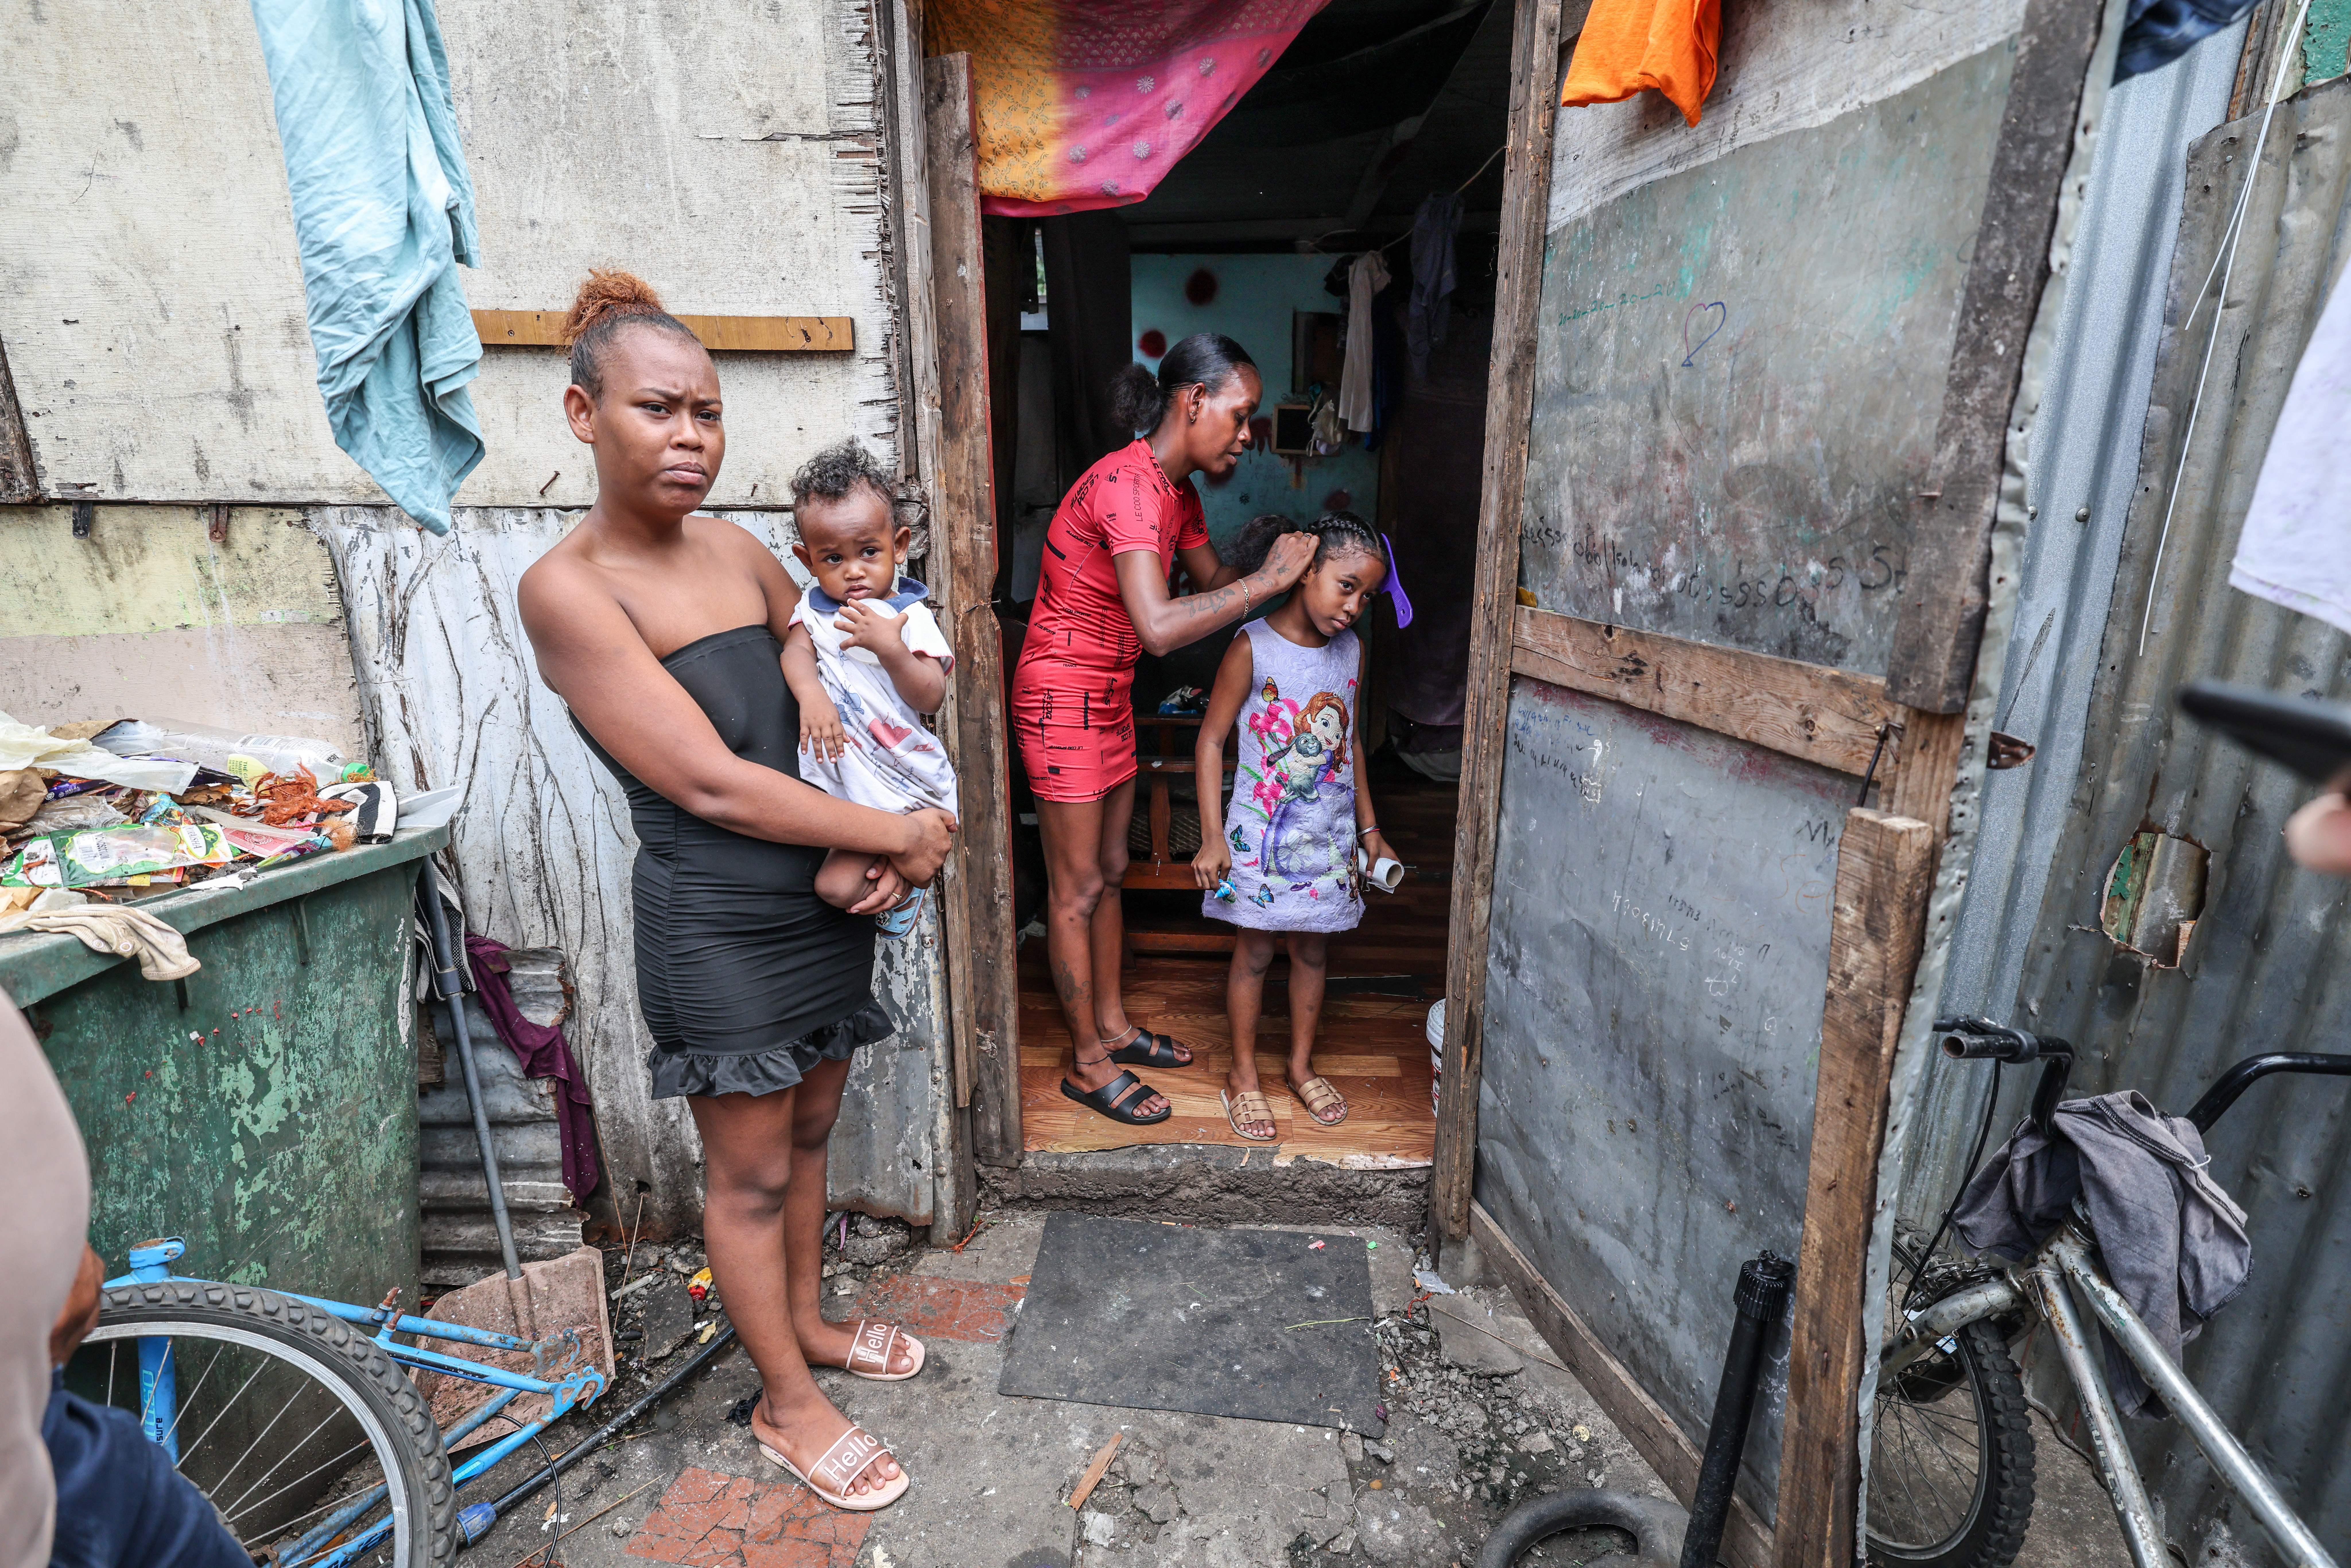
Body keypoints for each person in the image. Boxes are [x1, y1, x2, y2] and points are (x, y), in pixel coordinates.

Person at [517, 269, 953, 1511]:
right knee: (749, 1178)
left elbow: (812, 647)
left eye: (706, 412)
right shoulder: (567, 587)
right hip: (718, 923)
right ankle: (785, 1400)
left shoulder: (740, 550)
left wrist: (872, 819)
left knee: (812, 1135)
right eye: (659, 409)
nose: (691, 437)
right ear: (581, 414)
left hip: (823, 899)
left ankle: (804, 1325)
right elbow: (709, 783)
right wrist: (897, 832)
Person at [1009, 333, 1318, 1127]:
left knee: (1111, 869)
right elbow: (1157, 625)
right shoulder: (1128, 488)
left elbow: (1217, 587)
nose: (1247, 436)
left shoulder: (1176, 493)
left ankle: (1111, 1026)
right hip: (1063, 693)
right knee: (1075, 891)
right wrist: (1266, 582)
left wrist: (1295, 579)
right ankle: (1085, 1064)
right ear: (1194, 402)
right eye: (1241, 416)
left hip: (1106, 693)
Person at [1190, 514, 1400, 1140]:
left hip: (1328, 838)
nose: (1355, 606)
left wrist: (1369, 832)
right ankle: (1243, 1075)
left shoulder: (1352, 651)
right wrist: (1211, 835)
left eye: (1366, 595)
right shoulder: (1251, 646)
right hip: (1257, 839)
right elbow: (1210, 742)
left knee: (1313, 948)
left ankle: (1300, 1064)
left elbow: (1353, 745)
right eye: (1345, 586)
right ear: (1305, 572)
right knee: (1254, 951)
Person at [779, 439, 957, 937]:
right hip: (847, 778)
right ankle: (900, 860)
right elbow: (795, 653)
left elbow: (930, 696)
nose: (854, 571)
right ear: (807, 559)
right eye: (833, 558)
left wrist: (891, 649)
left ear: (899, 546)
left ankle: (911, 865)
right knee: (834, 887)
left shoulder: (908, 617)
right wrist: (810, 695)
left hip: (901, 770)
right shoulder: (812, 613)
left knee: (836, 886)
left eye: (870, 552)